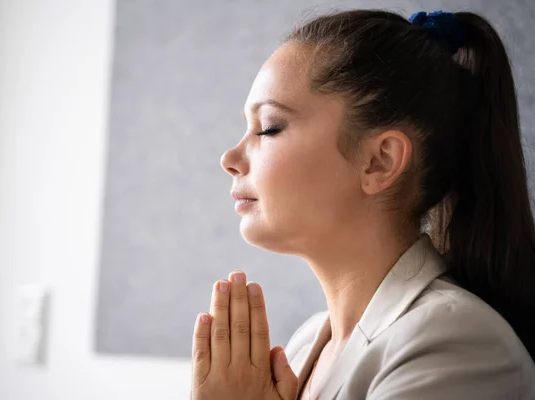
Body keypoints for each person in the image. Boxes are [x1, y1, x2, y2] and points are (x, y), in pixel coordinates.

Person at [189, 9, 535, 400]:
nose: (230, 157)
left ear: (380, 161)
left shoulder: (454, 344)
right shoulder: (304, 348)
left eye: (269, 127)